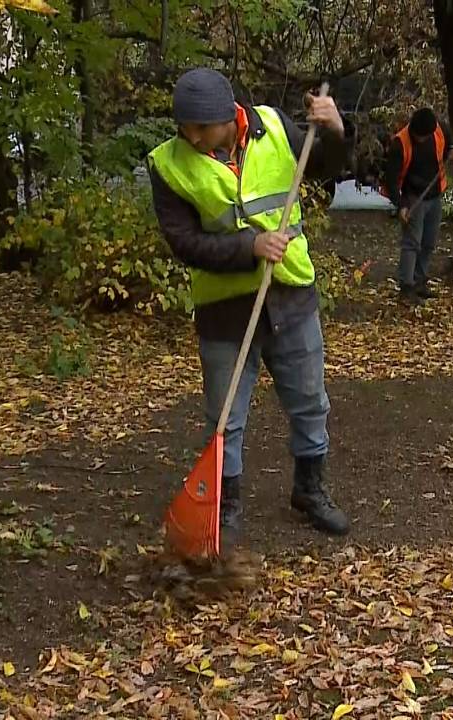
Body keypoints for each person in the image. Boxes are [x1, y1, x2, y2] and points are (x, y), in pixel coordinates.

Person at [146, 68, 351, 545]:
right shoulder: (167, 165)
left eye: (201, 128)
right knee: (225, 419)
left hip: (292, 296)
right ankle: (225, 508)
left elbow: (325, 167)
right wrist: (249, 247)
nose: (191, 137)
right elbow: (186, 243)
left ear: (228, 117)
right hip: (225, 311)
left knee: (309, 402)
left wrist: (337, 128)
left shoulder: (275, 126)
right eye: (185, 127)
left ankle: (309, 489)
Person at [383, 108, 453, 304]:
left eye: (423, 137)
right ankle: (406, 287)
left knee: (428, 243)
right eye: (418, 136)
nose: (420, 139)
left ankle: (419, 281)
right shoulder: (400, 144)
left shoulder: (439, 129)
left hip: (435, 195)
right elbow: (390, 181)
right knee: (412, 244)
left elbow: (452, 143)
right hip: (413, 198)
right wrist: (400, 205)